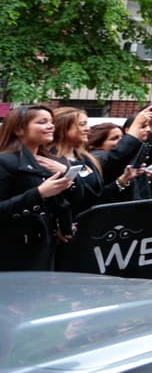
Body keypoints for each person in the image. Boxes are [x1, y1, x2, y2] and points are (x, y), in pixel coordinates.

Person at [0, 104, 81, 270]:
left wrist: (63, 224)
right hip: (12, 250)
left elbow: (68, 199)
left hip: (46, 246)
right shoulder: (5, 162)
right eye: (42, 122)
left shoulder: (52, 162)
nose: (51, 126)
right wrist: (39, 193)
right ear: (19, 130)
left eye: (51, 121)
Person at [51, 107, 105, 213]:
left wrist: (122, 180)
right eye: (82, 124)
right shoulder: (50, 161)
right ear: (63, 128)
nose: (87, 128)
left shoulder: (87, 159)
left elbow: (96, 195)